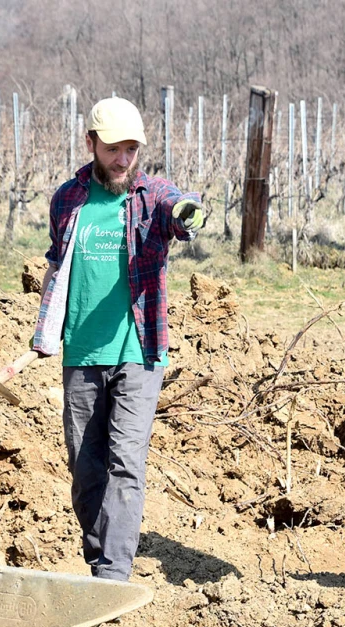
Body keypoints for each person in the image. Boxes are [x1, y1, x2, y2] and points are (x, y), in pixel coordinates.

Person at [31, 97, 204, 581]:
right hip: (81, 353)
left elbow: (175, 208)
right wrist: (45, 324)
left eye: (132, 149)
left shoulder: (149, 197)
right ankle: (97, 562)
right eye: (113, 149)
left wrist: (187, 212)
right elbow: (55, 262)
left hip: (139, 351)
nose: (124, 160)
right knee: (86, 472)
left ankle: (112, 579)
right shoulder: (68, 200)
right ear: (91, 144)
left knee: (125, 462)